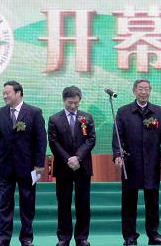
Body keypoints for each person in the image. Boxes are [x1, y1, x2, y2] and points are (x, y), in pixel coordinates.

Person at [113, 79, 161, 246]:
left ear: (150, 91)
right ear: (134, 91)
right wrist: (117, 154)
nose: (143, 92)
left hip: (152, 163)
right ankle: (130, 237)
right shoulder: (123, 112)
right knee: (129, 202)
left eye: (146, 89)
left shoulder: (159, 112)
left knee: (152, 202)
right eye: (140, 89)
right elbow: (117, 136)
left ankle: (154, 235)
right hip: (130, 163)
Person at [0, 80, 47, 246]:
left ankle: (27, 238)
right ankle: (2, 238)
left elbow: (41, 140)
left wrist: (39, 165)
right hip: (5, 167)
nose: (4, 96)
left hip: (29, 167)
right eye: (3, 93)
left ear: (18, 93)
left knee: (28, 203)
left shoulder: (34, 112)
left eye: (7, 93)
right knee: (4, 204)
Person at [48, 86, 96, 246]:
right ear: (64, 100)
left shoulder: (87, 117)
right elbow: (53, 142)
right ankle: (64, 237)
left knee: (83, 203)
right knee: (64, 203)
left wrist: (78, 157)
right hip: (63, 167)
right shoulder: (54, 119)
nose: (73, 106)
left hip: (83, 167)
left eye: (76, 102)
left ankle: (81, 237)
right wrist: (69, 159)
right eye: (70, 102)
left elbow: (91, 139)